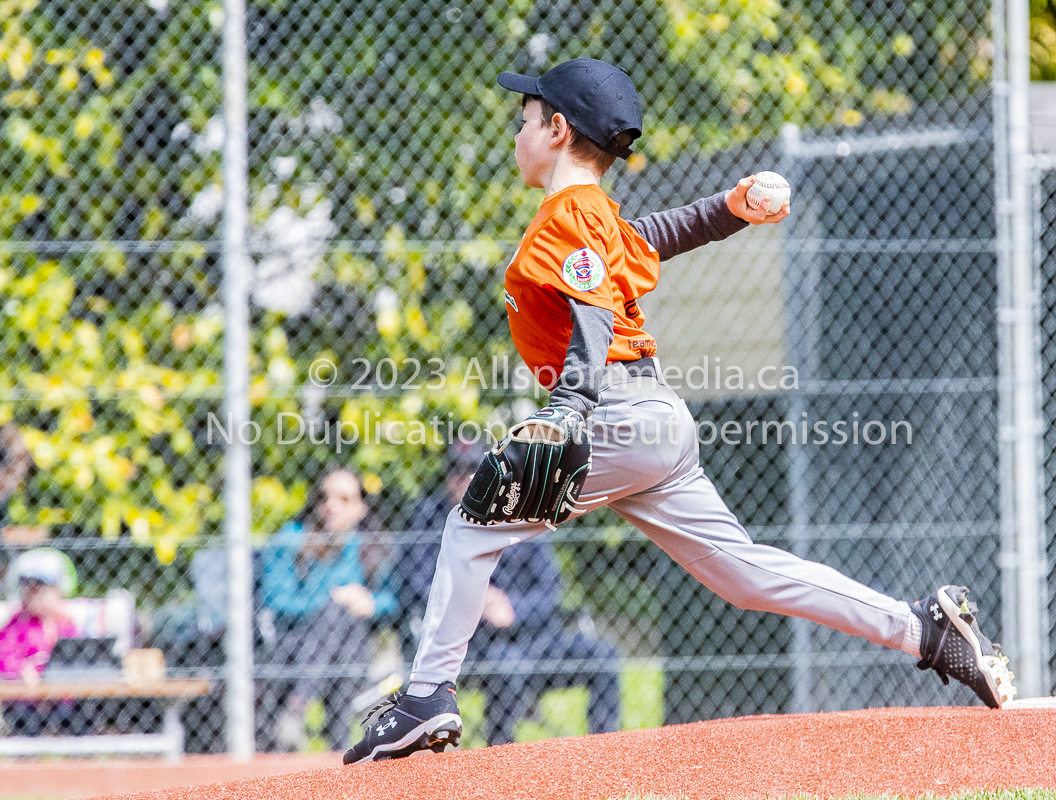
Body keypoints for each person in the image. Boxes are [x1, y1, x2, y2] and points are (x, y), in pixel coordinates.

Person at [344, 58, 1015, 765]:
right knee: (744, 575)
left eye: (525, 123)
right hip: (653, 418)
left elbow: (593, 314)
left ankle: (426, 697)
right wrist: (731, 210)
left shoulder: (564, 215)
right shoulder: (594, 215)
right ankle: (922, 629)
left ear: (558, 129)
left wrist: (570, 408)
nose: (517, 136)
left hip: (615, 412)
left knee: (471, 524)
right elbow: (656, 238)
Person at [400, 440, 619, 745]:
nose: (464, 479)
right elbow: (415, 584)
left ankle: (605, 752)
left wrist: (513, 607)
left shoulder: (518, 511)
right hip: (474, 643)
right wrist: (476, 600)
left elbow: (550, 589)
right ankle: (500, 764)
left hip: (534, 636)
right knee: (507, 664)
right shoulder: (429, 517)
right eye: (456, 470)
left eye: (474, 471)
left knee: (604, 656)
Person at [257, 468, 397, 752]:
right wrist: (330, 600)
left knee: (343, 621)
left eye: (343, 499)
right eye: (324, 497)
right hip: (293, 643)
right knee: (337, 615)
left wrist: (370, 602)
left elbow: (394, 599)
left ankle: (297, 708)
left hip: (349, 647)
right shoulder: (292, 538)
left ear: (361, 508)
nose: (331, 505)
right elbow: (277, 601)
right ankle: (338, 743)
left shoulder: (368, 546)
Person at [0, 548, 81, 734]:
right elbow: (4, 658)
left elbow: (80, 657)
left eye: (41, 589)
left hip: (64, 700)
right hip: (27, 703)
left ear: (57, 591)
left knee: (84, 714)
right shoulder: (15, 625)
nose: (33, 595)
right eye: (28, 589)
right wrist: (22, 670)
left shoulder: (66, 624)